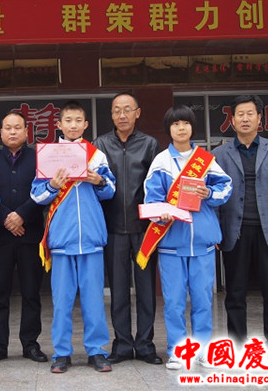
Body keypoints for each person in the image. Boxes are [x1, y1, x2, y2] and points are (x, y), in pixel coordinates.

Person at [143, 105, 232, 370]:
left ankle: (203, 350)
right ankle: (177, 351)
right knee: (174, 302)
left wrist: (209, 194)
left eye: (185, 123)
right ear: (168, 129)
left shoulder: (206, 160)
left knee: (203, 300)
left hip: (202, 243)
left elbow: (226, 186)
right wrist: (161, 214)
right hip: (172, 244)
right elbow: (151, 198)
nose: (181, 128)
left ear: (192, 127)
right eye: (175, 124)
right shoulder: (161, 161)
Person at [30, 100, 116, 374]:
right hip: (62, 240)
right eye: (68, 120)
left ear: (86, 124)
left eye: (78, 120)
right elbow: (37, 196)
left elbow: (111, 191)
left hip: (91, 238)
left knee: (94, 301)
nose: (73, 125)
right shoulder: (48, 155)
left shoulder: (96, 156)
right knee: (62, 302)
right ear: (59, 124)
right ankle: (62, 353)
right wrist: (52, 185)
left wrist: (98, 181)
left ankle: (97, 351)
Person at [212, 95, 268, 344]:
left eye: (250, 114)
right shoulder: (219, 154)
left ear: (260, 118)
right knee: (235, 292)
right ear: (232, 120)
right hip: (234, 230)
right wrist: (216, 230)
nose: (245, 119)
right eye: (240, 114)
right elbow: (215, 194)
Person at [93, 92, 162, 365]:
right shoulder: (100, 144)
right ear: (111, 115)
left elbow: (157, 184)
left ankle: (145, 345)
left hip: (144, 229)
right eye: (116, 110)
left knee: (146, 291)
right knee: (118, 291)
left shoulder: (150, 144)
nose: (122, 115)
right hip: (113, 229)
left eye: (127, 110)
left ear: (137, 113)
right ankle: (122, 345)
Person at [0, 112, 47, 364]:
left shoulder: (39, 158)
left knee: (31, 293)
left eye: (17, 127)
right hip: (1, 237)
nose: (12, 132)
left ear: (26, 131)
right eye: (7, 127)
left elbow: (45, 193)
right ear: (1, 132)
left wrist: (22, 216)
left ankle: (31, 344)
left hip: (31, 236)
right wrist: (7, 218)